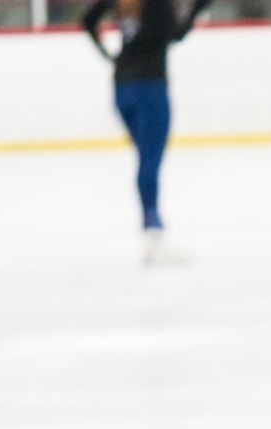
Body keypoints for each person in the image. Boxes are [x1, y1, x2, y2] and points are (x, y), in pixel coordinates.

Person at [81, 0, 212, 263]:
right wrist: (199, 7)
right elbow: (175, 34)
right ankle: (153, 232)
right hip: (150, 86)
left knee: (146, 160)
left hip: (123, 87)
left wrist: (108, 55)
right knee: (150, 161)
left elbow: (89, 19)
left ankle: (152, 229)